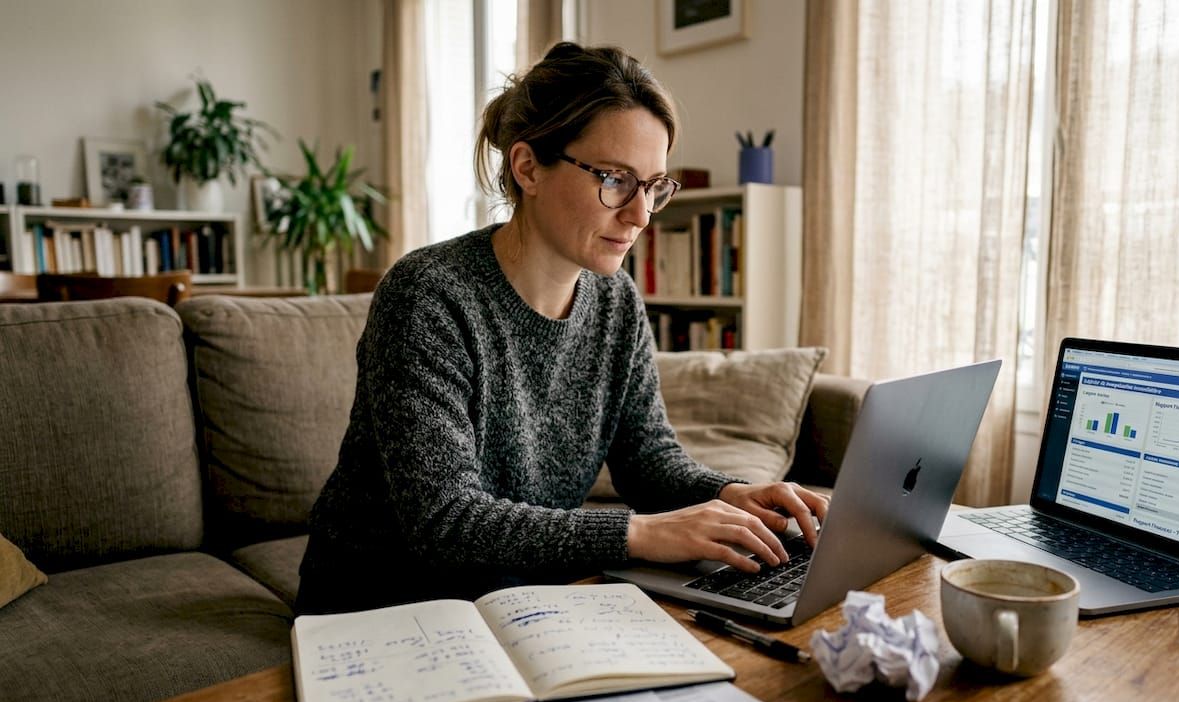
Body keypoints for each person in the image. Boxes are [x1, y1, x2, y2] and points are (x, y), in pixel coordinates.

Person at [295, 42, 829, 615]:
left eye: (653, 185)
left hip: (521, 597)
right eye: (616, 179)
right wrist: (643, 534)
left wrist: (730, 494)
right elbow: (446, 522)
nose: (641, 214)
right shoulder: (427, 294)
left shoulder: (615, 298)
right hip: (384, 606)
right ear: (528, 167)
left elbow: (646, 460)